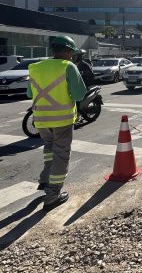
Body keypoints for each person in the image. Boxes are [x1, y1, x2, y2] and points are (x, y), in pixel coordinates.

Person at [27, 36, 87, 211]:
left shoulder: (35, 67)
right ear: (68, 51)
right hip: (62, 120)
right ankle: (53, 194)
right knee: (61, 155)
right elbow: (79, 95)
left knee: (49, 149)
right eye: (71, 53)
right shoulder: (69, 67)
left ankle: (45, 179)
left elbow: (29, 93)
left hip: (40, 119)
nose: (71, 56)